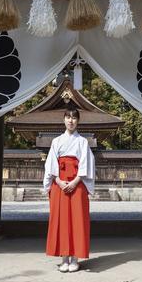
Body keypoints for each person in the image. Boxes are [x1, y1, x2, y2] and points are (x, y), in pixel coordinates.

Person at [43, 107, 95, 272]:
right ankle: (64, 258)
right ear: (64, 119)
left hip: (77, 184)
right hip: (60, 184)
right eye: (68, 117)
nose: (71, 121)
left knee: (77, 220)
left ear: (78, 121)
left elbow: (86, 163)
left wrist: (75, 181)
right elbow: (51, 164)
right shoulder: (56, 141)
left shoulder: (83, 142)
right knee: (62, 220)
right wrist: (57, 181)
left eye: (74, 118)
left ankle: (75, 259)